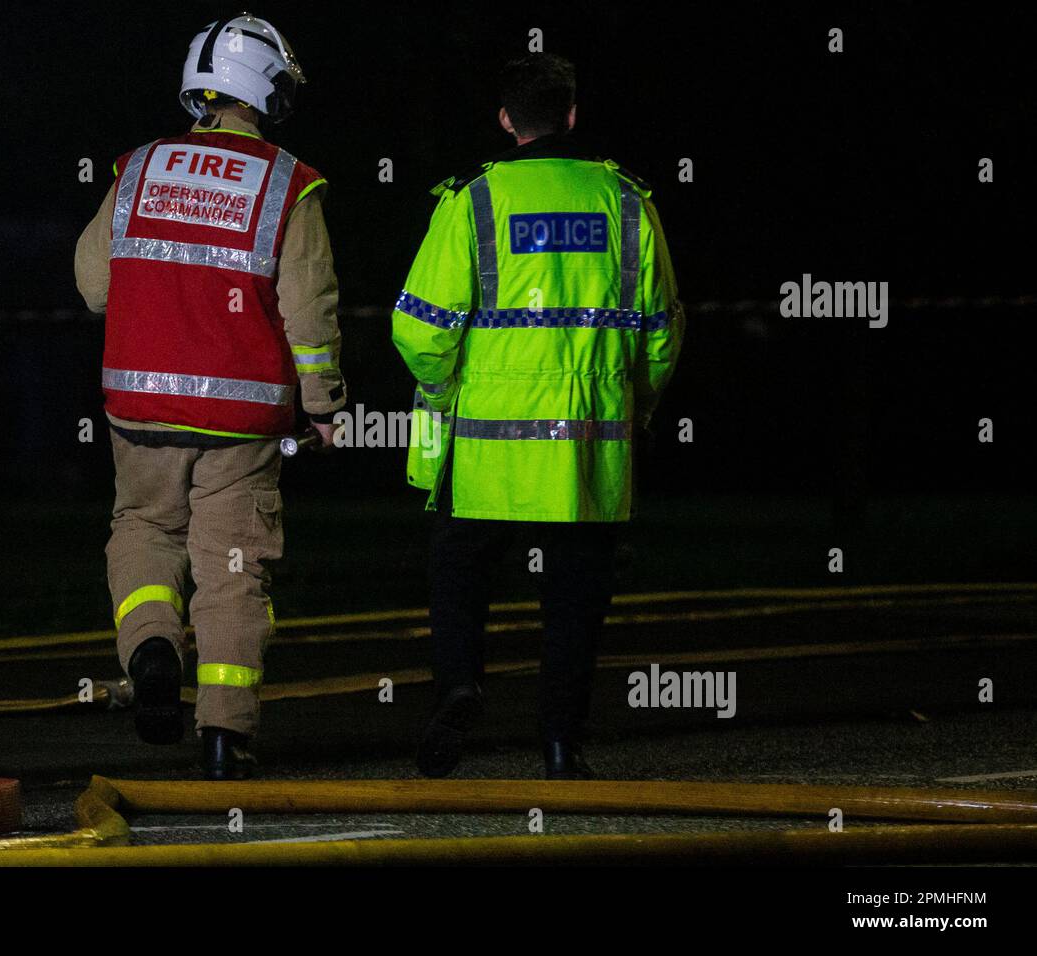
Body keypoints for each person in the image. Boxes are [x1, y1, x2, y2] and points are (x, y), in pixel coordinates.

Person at [391, 53, 684, 779]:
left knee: (459, 577)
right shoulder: (627, 201)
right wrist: (632, 406)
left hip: (485, 455)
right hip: (589, 451)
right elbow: (662, 333)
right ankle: (560, 744)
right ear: (573, 115)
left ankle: (459, 685)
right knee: (576, 603)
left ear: (504, 121)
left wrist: (445, 392)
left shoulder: (473, 201)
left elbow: (421, 329)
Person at [74, 14, 345, 780]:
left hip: (138, 408)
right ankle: (225, 737)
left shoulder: (140, 167)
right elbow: (310, 309)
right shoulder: (291, 183)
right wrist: (324, 405)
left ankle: (152, 648)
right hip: (243, 419)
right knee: (232, 571)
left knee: (143, 533)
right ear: (270, 89)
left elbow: (94, 286)